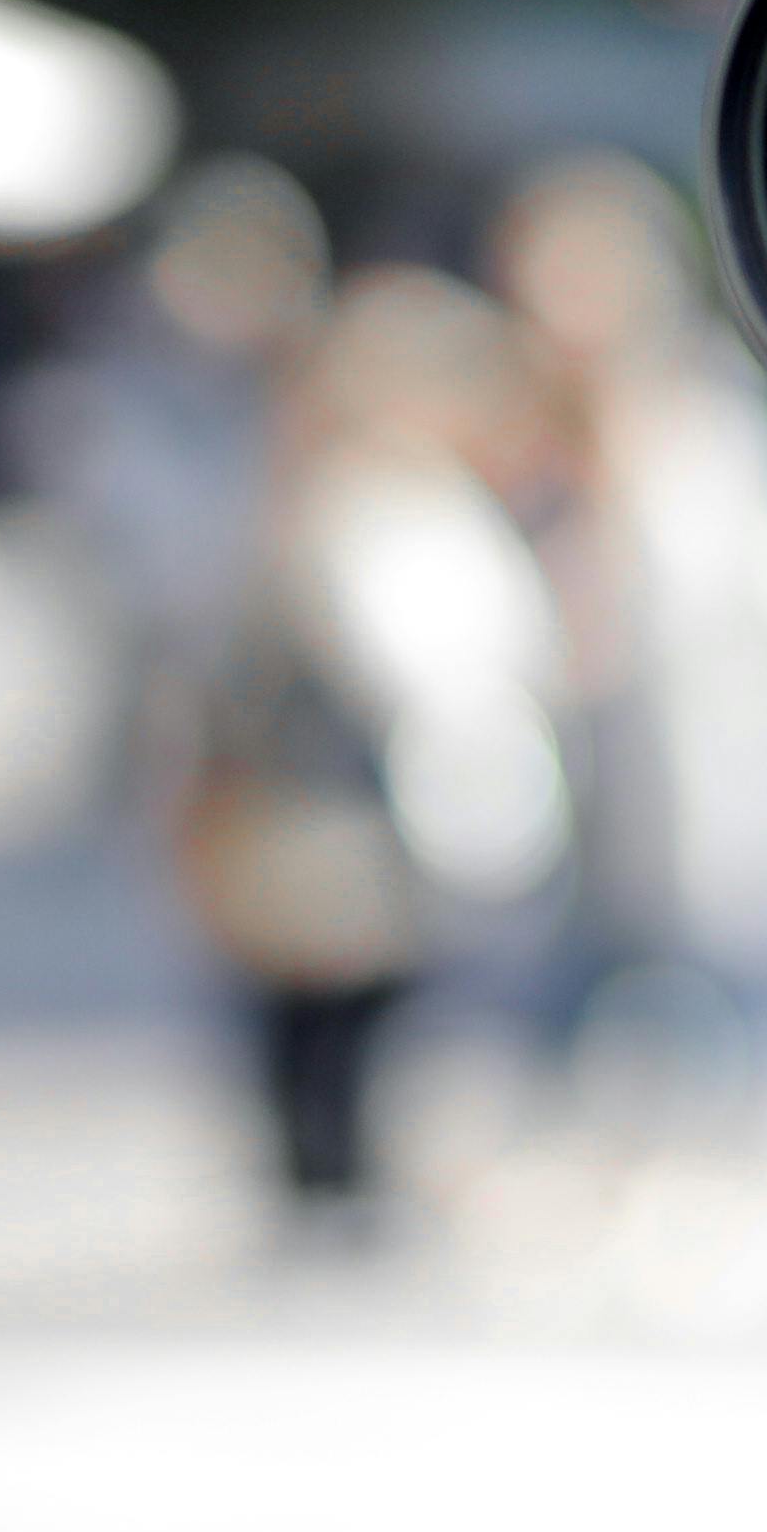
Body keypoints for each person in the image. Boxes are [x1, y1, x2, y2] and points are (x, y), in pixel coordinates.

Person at [173, 265, 574, 1237]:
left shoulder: (363, 493)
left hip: (346, 803)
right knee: (326, 1010)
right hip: (319, 800)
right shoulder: (347, 499)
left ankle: (334, 1175)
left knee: (348, 1009)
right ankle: (326, 1181)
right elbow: (393, 658)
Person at [492, 157, 767, 1102]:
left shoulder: (702, 420)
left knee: (721, 988)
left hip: (695, 758)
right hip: (561, 771)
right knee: (567, 988)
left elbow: (734, 599)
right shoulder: (520, 426)